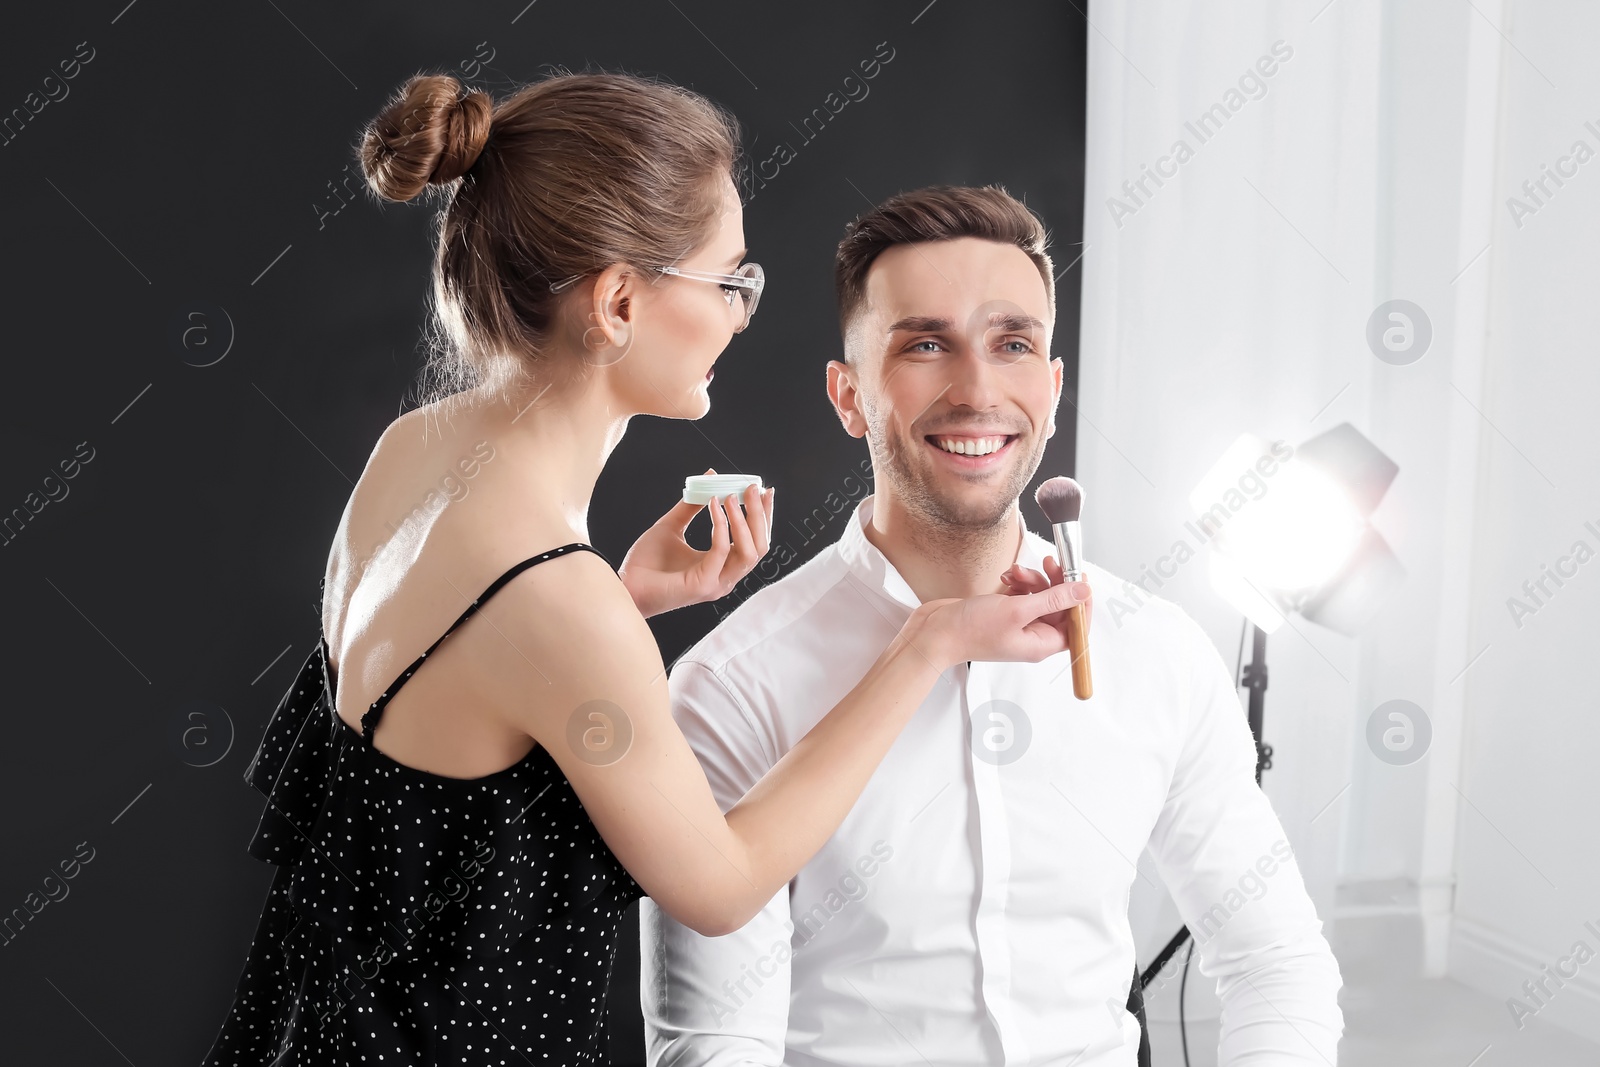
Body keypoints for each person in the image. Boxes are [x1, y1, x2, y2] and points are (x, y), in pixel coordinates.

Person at [200, 74, 1091, 1067]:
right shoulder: (552, 594)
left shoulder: (415, 451)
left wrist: (627, 600)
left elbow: (451, 729)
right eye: (730, 283)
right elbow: (719, 885)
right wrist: (927, 642)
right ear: (620, 301)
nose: (740, 317)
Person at [639, 185, 1346, 1066]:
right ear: (849, 395)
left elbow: (1276, 961)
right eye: (926, 345)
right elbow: (714, 1045)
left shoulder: (1156, 649)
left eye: (1012, 344)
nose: (977, 390)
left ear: (1050, 388)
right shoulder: (731, 684)